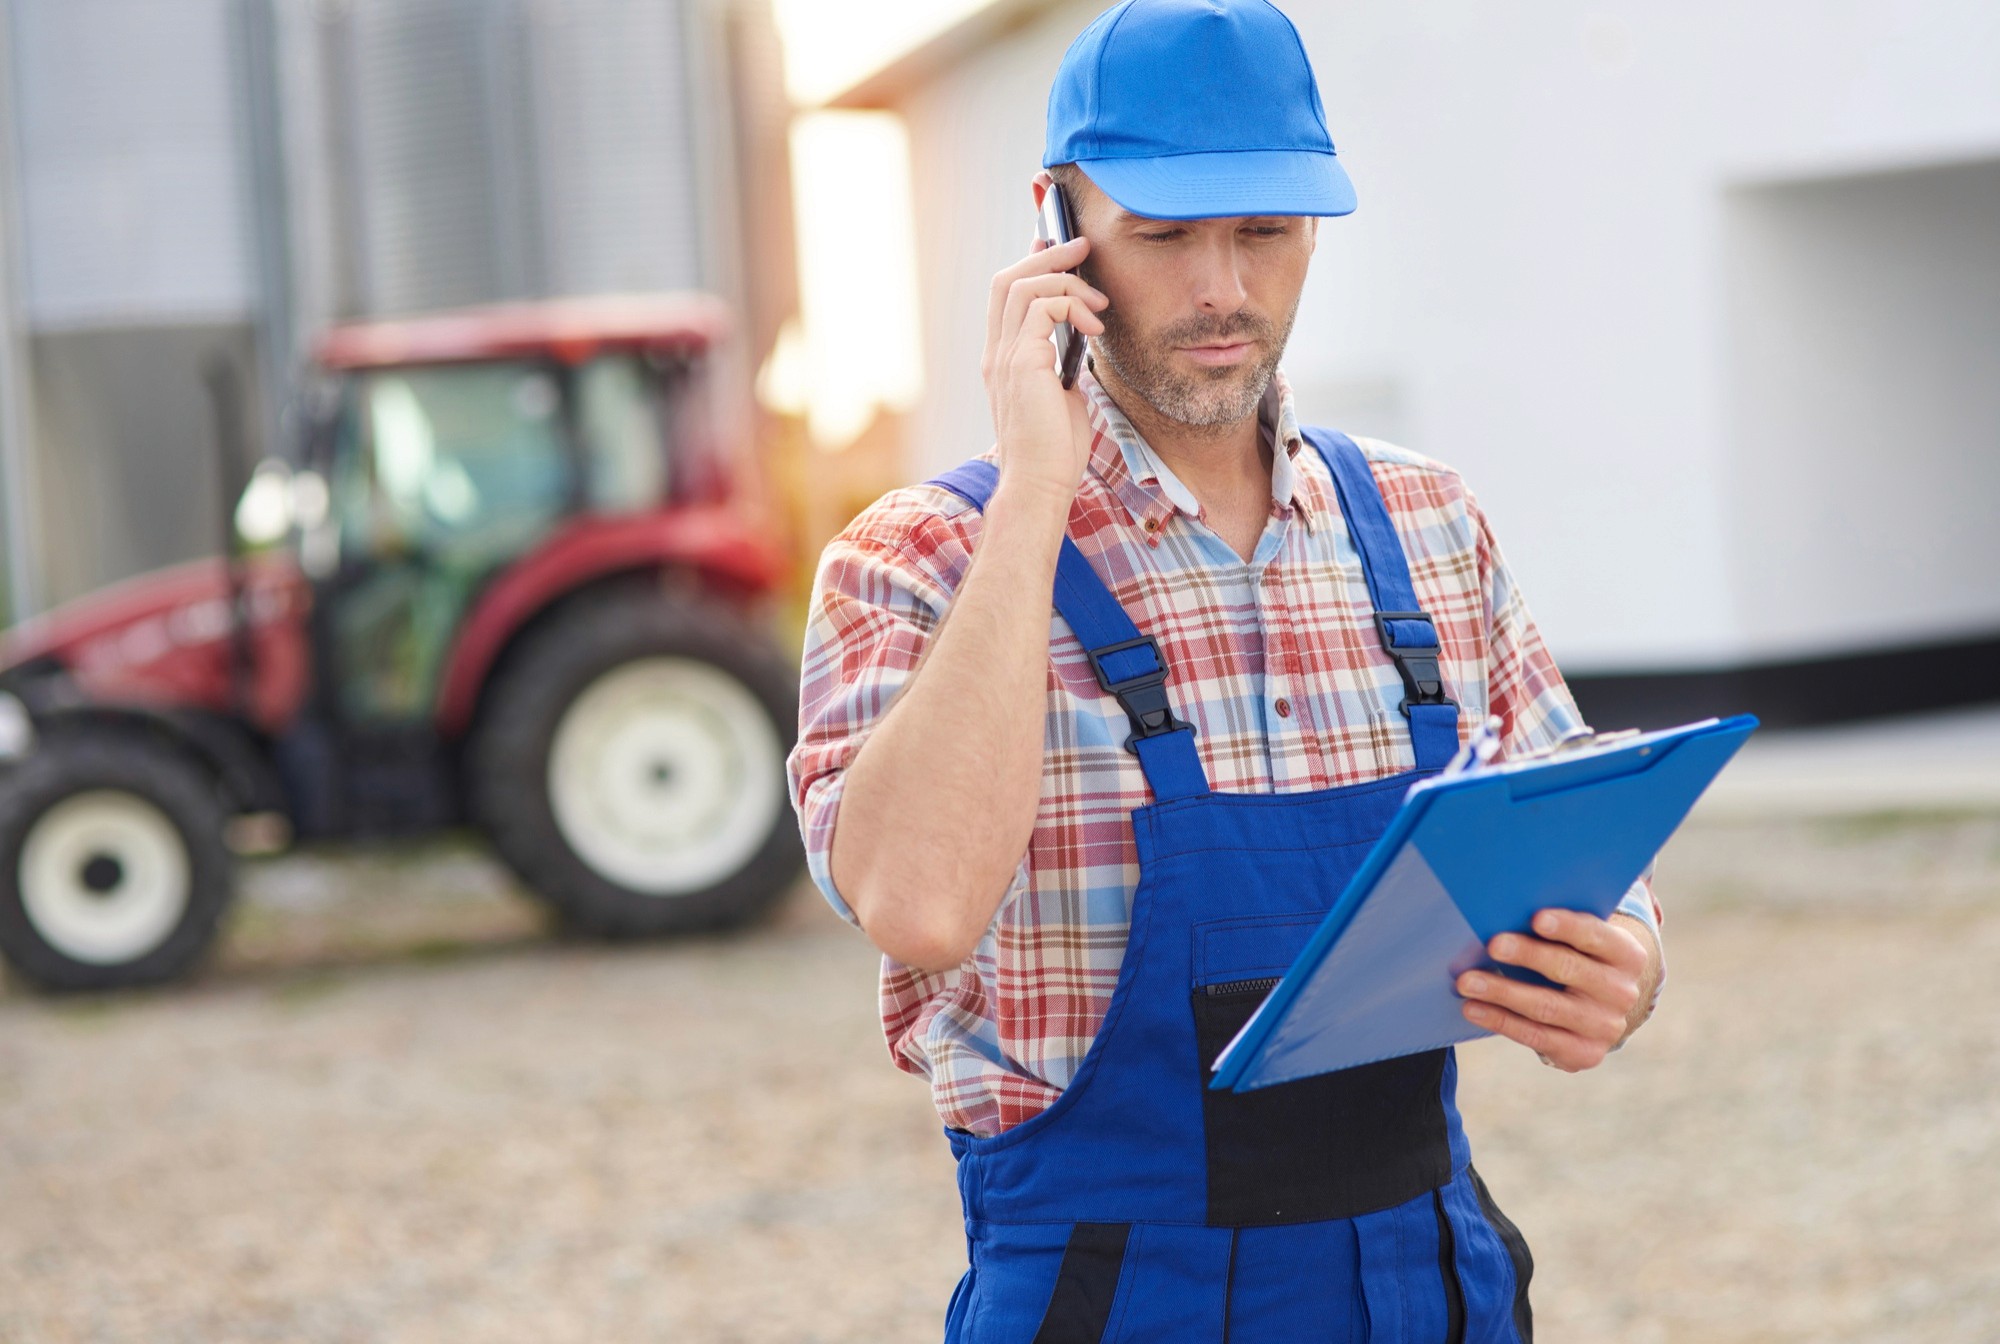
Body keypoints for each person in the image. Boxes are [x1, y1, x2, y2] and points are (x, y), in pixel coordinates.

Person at [787, 1, 1663, 1338]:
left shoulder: (1427, 524)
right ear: (1056, 229)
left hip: (1427, 1285)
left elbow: (1587, 843)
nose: (1222, 291)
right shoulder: (915, 560)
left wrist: (1625, 963)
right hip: (1111, 1294)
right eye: (1166, 234)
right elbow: (914, 905)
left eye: (1263, 230)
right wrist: (1037, 488)